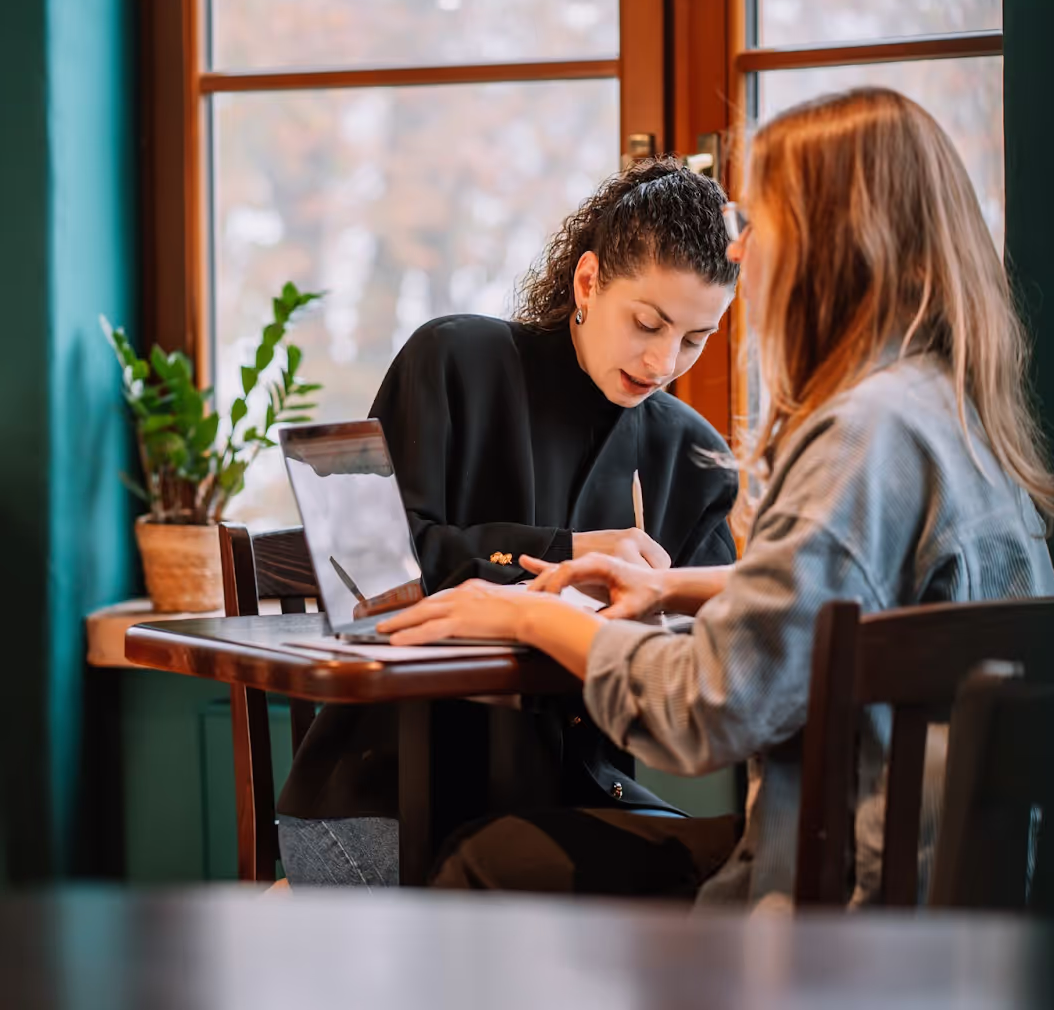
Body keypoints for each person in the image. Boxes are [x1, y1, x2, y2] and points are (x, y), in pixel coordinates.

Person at [379, 87, 1054, 908]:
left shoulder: (862, 435)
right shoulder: (957, 419)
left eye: (765, 223)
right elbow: (846, 604)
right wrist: (680, 585)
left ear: (831, 244)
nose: (745, 253)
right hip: (969, 885)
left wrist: (533, 615)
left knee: (485, 861)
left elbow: (707, 710)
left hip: (845, 891)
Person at [278, 158, 742, 887]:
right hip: (381, 796)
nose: (662, 361)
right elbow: (366, 576)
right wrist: (566, 553)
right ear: (588, 283)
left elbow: (718, 650)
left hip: (573, 800)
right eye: (648, 323)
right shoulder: (454, 358)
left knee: (726, 900)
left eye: (695, 339)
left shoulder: (692, 452)